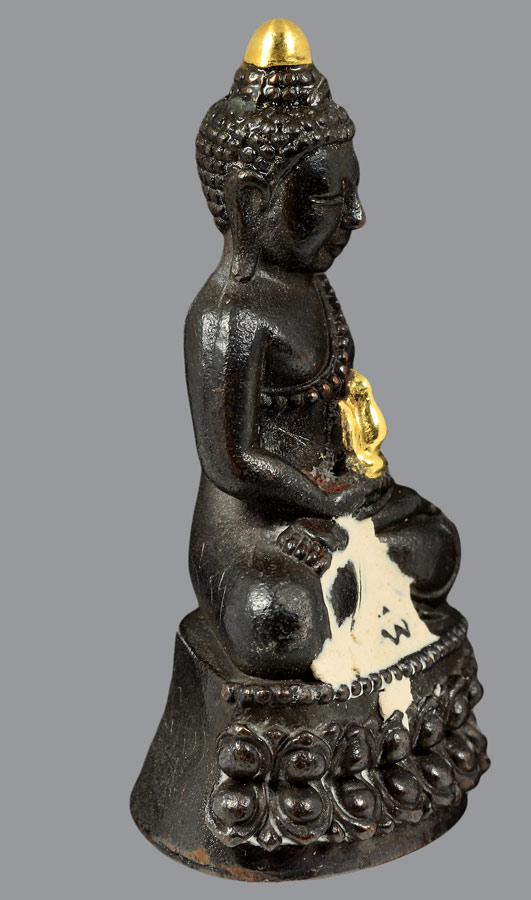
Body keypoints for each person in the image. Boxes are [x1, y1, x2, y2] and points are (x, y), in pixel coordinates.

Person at [185, 21, 460, 679]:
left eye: (351, 193)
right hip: (253, 524)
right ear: (252, 201)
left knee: (434, 544)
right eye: (330, 197)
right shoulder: (227, 317)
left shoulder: (312, 287)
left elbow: (334, 405)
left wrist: (356, 478)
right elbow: (231, 461)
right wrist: (320, 501)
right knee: (278, 619)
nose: (356, 215)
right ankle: (338, 602)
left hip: (330, 492)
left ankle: (349, 593)